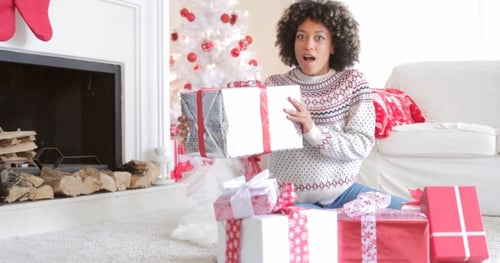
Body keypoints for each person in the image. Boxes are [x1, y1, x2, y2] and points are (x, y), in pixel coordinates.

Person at [179, 0, 407, 209]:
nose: (308, 45)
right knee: (289, 245)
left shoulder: (352, 82)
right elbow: (248, 140)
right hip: (292, 200)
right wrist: (198, 130)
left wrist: (312, 131)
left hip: (345, 194)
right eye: (301, 36)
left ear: (334, 45)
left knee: (412, 213)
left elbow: (361, 144)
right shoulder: (277, 85)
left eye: (319, 37)